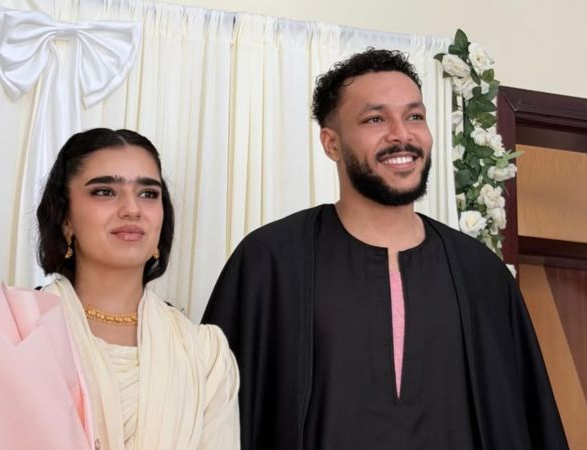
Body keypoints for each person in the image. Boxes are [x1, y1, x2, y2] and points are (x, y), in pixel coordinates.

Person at [202, 50, 567, 449]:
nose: (401, 135)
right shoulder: (270, 263)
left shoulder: (480, 273)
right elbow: (213, 419)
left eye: (415, 116)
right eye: (375, 119)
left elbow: (530, 421)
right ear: (331, 144)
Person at [38, 128, 239, 450]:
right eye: (105, 191)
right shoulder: (20, 331)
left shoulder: (204, 355)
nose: (132, 209)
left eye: (148, 194)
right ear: (65, 219)